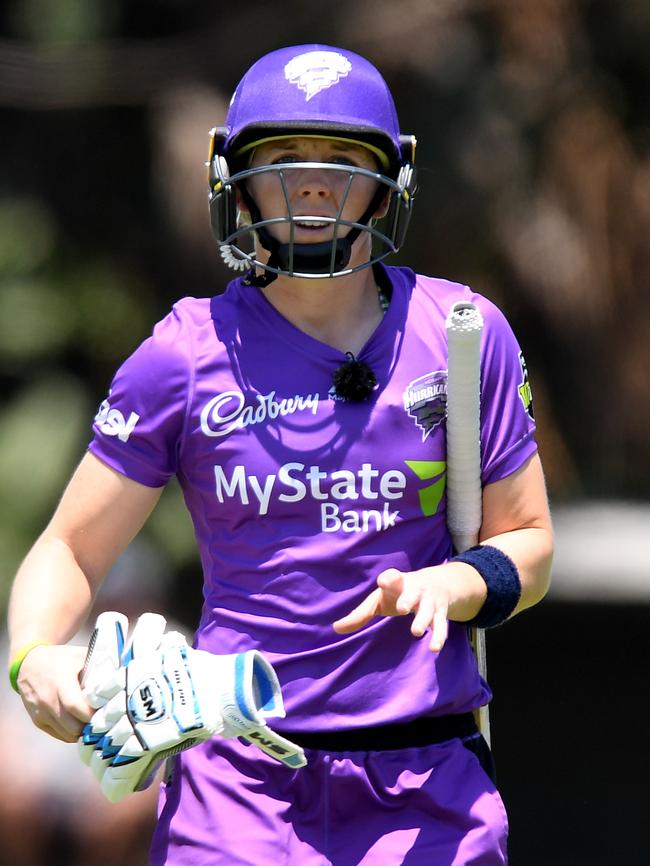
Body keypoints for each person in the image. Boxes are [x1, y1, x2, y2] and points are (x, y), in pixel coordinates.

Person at [7, 44, 553, 865]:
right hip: (237, 785)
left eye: (341, 160)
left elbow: (532, 544)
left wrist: (457, 581)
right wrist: (34, 657)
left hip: (427, 785)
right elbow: (70, 549)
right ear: (235, 178)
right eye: (281, 161)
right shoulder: (181, 354)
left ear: (390, 181)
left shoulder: (466, 336)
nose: (311, 184)